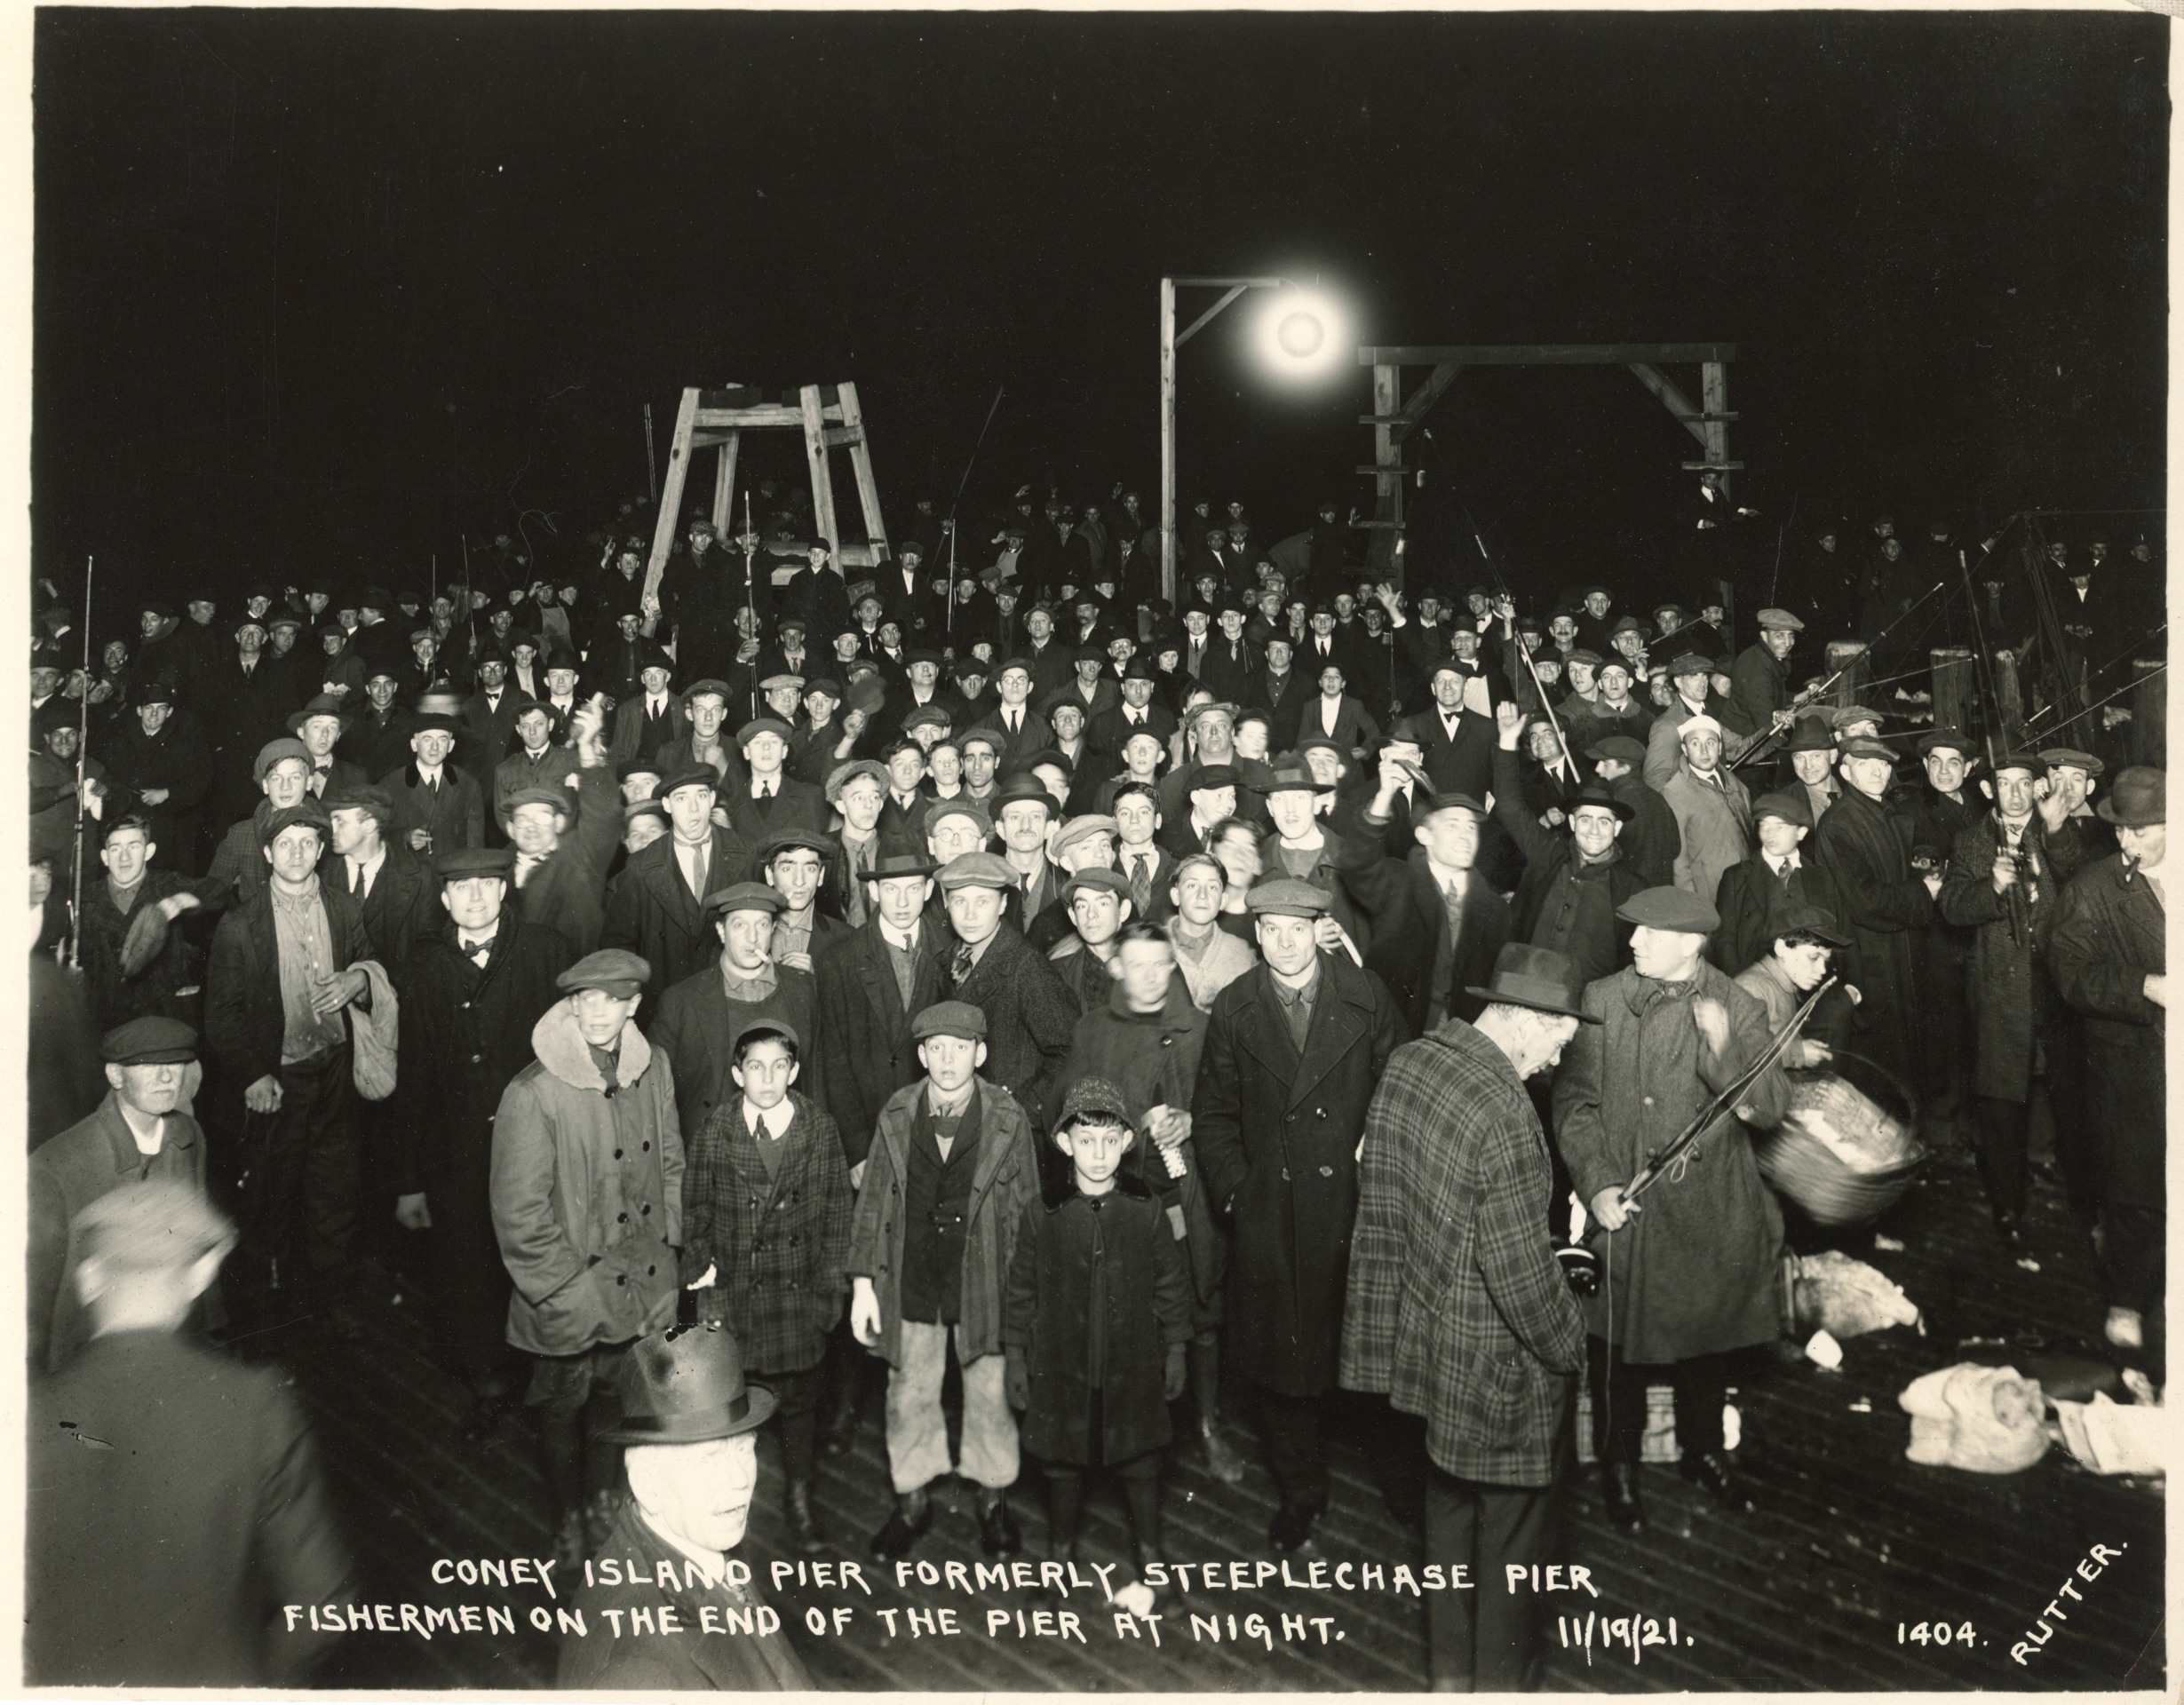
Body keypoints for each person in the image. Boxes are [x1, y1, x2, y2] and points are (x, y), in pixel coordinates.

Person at [1342, 943, 1593, 1692]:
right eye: (1557, 1039)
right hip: (1493, 1366)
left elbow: (1381, 1191)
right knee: (1513, 1544)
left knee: (1447, 1515)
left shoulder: (1412, 1061)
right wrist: (1570, 1343)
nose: (1556, 1059)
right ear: (1521, 1018)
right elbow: (1518, 1277)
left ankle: (1449, 1680)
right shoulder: (1505, 1112)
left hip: (1425, 1346)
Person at [27, 1181, 353, 1686]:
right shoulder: (254, 1406)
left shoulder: (30, 1414)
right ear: (200, 1276)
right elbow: (324, 1604)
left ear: (89, 1279)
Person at [1553, 886, 1792, 1534]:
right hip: (1628, 1200)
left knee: (1704, 1342)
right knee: (1617, 1348)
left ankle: (1703, 1450)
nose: (1632, 942)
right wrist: (1598, 1184)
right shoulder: (1603, 998)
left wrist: (1722, 1050)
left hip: (1708, 1204)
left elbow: (1770, 1106)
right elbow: (1575, 1104)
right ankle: (1619, 1464)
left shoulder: (1736, 1003)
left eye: (1648, 933)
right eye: (1633, 930)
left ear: (1689, 943)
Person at [1192, 878, 1408, 1551]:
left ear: (1319, 930)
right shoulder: (1235, 1006)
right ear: (1256, 934)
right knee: (1284, 1369)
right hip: (1274, 1213)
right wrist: (1238, 1193)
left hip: (1357, 1208)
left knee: (1372, 1357)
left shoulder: (1365, 994)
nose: (1284, 943)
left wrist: (1381, 1167)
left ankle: (1400, 1485)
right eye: (1271, 930)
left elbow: (1400, 1088)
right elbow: (1214, 1115)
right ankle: (1301, 1493)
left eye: (1297, 929)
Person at [492, 947, 685, 1566]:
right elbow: (519, 1212)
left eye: (613, 999)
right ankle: (567, 1516)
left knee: (616, 1395)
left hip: (640, 1277)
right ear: (571, 1005)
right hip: (571, 1287)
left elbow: (671, 1163)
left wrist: (669, 1247)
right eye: (585, 999)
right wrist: (562, 1286)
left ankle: (603, 1498)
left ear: (634, 1005)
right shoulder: (534, 1090)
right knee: (561, 1406)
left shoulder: (653, 1067)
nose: (598, 1012)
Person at [847, 1000, 1042, 1560]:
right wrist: (862, 1284)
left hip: (986, 1280)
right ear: (921, 1054)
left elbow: (1028, 1210)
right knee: (908, 1391)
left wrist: (1027, 1296)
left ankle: (992, 1498)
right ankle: (912, 1498)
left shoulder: (1007, 1117)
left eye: (960, 1048)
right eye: (937, 1048)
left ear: (980, 1054)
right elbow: (872, 1203)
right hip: (912, 1276)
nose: (948, 1059)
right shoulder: (897, 1113)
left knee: (991, 1392)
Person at [393, 845, 574, 1436]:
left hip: (538, 1143)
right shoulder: (424, 967)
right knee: (469, 1267)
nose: (474, 897)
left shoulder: (546, 951)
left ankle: (550, 1382)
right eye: (461, 887)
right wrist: (409, 1180)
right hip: (457, 1151)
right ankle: (489, 1382)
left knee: (542, 1255)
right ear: (445, 899)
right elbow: (414, 1074)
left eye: (486, 885)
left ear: (503, 891)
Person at [1004, 1076, 1191, 1600]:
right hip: (1063, 1365)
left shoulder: (1145, 1209)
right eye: (1086, 1140)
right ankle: (1060, 1554)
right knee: (1062, 1463)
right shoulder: (1043, 1213)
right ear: (1064, 1144)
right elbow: (1020, 1291)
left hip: (1132, 1364)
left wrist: (1177, 1348)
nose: (1100, 1153)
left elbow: (1170, 1285)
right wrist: (1015, 1356)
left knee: (1140, 1459)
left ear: (1128, 1142)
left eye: (1111, 1140)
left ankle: (1149, 1554)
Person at [203, 799, 379, 1341]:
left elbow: (372, 964)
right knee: (267, 1196)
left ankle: (336, 1302)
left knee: (334, 1194)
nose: (297, 853)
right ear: (267, 854)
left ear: (322, 850)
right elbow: (221, 1016)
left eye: (307, 843)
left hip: (335, 1073)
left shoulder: (344, 909)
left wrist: (360, 979)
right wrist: (253, 1075)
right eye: (285, 844)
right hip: (278, 1079)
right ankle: (262, 1314)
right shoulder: (240, 923)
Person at [557, 1322, 813, 1690]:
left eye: (744, 1448)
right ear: (648, 1485)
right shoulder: (640, 1672)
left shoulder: (698, 1538)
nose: (740, 1479)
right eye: (708, 1458)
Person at [680, 1017, 853, 1554]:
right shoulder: (716, 1129)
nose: (768, 1078)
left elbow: (837, 1214)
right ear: (738, 1074)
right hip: (735, 1294)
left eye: (779, 1066)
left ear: (794, 1072)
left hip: (797, 1296)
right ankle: (730, 1503)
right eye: (756, 1067)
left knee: (799, 1404)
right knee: (734, 1405)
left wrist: (829, 1294)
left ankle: (800, 1497)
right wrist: (702, 1276)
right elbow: (696, 1208)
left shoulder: (819, 1129)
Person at [1938, 752, 2097, 1244]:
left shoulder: (2058, 831)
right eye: (2004, 783)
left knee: (2072, 1094)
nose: (2014, 793)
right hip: (2000, 986)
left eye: (2023, 783)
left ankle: (2085, 1202)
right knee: (2002, 1099)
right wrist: (1991, 887)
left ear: (2037, 788)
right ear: (1989, 790)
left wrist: (2056, 831)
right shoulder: (1971, 842)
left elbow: (2083, 879)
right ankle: (2007, 1203)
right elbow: (1952, 907)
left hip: (2056, 986)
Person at [2048, 765, 2165, 1353]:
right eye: (2120, 830)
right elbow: (2068, 973)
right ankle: (2127, 1299)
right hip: (2129, 1067)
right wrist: (2142, 985)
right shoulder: (2091, 888)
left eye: (2141, 831)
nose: (2127, 842)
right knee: (2133, 1190)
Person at [29, 1017, 212, 1372]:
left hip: (168, 1345)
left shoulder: (188, 1136)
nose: (166, 1077)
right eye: (148, 1065)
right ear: (115, 1075)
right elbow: (31, 1301)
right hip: (86, 1360)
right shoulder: (57, 1166)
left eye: (176, 1063)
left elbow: (197, 1241)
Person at [1330, 749, 1511, 1035]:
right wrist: (1385, 795)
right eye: (1452, 826)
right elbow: (1356, 863)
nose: (1465, 836)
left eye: (1471, 828)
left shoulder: (1495, 909)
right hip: (1393, 1033)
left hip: (1461, 1041)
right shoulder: (1398, 882)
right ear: (1424, 836)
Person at [1810, 734, 1942, 1093]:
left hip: (1897, 950)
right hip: (1869, 954)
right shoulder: (1839, 823)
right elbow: (1864, 900)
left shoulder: (1883, 812)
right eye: (1865, 764)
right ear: (1846, 771)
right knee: (1881, 1059)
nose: (1877, 772)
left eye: (1883, 764)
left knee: (1903, 1052)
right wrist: (1923, 892)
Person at [932, 850, 1079, 1131]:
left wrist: (1018, 1111)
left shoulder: (1026, 966)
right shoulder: (942, 964)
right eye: (960, 901)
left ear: (1003, 904)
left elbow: (1070, 1051)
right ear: (946, 903)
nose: (970, 914)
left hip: (1010, 1131)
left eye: (983, 901)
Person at [600, 763, 755, 1013]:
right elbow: (619, 945)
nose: (693, 809)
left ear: (712, 799)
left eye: (701, 796)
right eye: (681, 798)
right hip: (663, 1007)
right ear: (667, 805)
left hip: (730, 1001)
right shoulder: (640, 866)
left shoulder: (746, 854)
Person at [1732, 904, 1857, 1066]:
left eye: (1825, 960)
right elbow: (1739, 1059)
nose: (1822, 970)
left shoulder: (1785, 984)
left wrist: (1800, 1046)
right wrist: (1798, 1053)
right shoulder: (1752, 988)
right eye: (1814, 957)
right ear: (1781, 949)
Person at [1659, 712, 1754, 908]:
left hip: (1747, 888)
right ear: (1684, 749)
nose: (1704, 750)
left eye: (1710, 743)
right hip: (1711, 895)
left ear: (1719, 747)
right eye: (1695, 743)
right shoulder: (1674, 792)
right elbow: (1678, 862)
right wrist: (1693, 907)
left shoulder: (1737, 785)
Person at [382, 710, 486, 856]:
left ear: (450, 746)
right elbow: (378, 833)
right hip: (409, 868)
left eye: (442, 740)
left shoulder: (468, 784)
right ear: (414, 744)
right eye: (427, 739)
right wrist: (404, 838)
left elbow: (475, 845)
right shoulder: (391, 784)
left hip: (453, 868)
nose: (435, 747)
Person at [1164, 851, 1258, 1011]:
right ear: (1176, 896)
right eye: (1192, 885)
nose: (1203, 895)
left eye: (1213, 887)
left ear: (1223, 900)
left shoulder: (1244, 956)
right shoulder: (1152, 946)